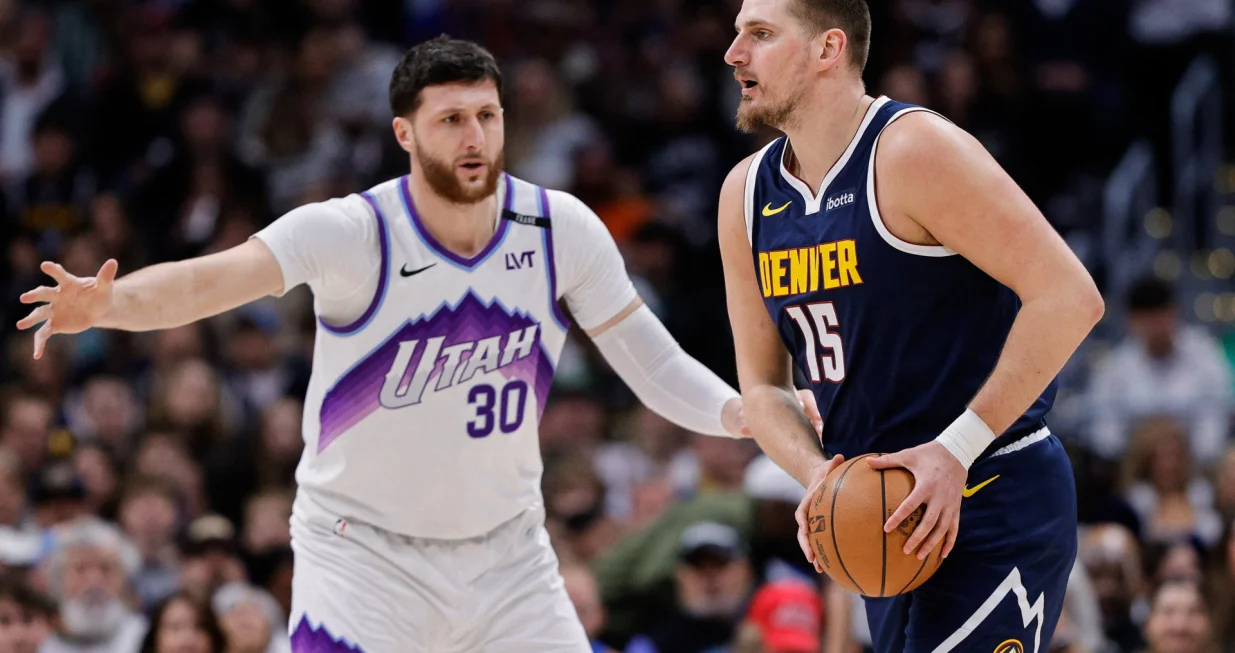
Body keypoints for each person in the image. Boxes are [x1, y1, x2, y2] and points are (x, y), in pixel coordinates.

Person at [16, 37, 820, 652]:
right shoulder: (351, 231)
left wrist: (734, 411)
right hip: (362, 556)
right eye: (450, 120)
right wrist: (109, 304)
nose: (474, 137)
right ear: (405, 131)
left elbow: (649, 358)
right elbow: (212, 281)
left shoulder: (558, 227)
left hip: (509, 556)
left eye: (487, 116)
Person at [715, 1, 1104, 653]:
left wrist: (953, 450)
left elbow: (1069, 297)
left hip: (989, 487)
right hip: (878, 516)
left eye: (759, 34)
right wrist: (817, 478)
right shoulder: (744, 196)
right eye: (735, 34)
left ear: (827, 49)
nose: (733, 54)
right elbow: (762, 386)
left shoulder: (911, 151)